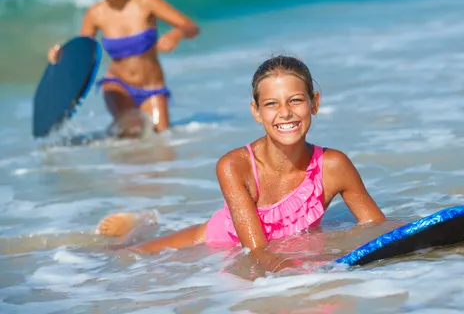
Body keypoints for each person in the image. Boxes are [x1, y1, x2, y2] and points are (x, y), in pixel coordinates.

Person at [96, 55, 386, 272]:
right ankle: (142, 223)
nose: (285, 113)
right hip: (215, 239)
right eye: (271, 104)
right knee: (123, 254)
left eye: (296, 100)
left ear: (315, 103)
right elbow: (257, 252)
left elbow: (376, 227)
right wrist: (302, 270)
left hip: (272, 249)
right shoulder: (235, 166)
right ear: (256, 112)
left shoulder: (333, 165)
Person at [47, 0, 200, 135]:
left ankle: (113, 138)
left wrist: (177, 33)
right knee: (133, 132)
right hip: (117, 86)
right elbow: (83, 53)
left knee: (163, 140)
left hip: (153, 88)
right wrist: (60, 55)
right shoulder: (95, 14)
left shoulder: (146, 2)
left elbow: (191, 27)